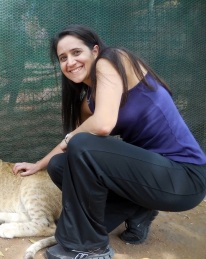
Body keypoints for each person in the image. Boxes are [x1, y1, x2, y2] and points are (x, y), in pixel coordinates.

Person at [13, 24, 206, 259]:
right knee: (60, 165)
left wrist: (73, 139)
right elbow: (74, 145)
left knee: (80, 145)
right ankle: (138, 211)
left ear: (95, 50)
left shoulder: (113, 59)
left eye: (76, 52)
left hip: (185, 178)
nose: (70, 62)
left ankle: (91, 248)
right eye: (62, 58)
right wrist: (39, 164)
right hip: (147, 178)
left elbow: (100, 127)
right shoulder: (88, 104)